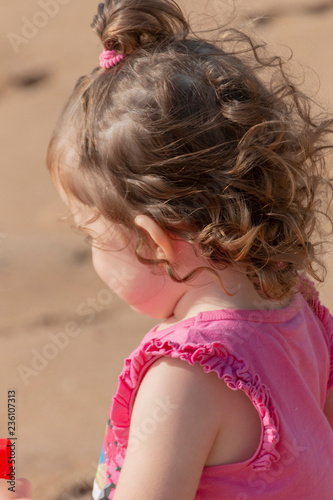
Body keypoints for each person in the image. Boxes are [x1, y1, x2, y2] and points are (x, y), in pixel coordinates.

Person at [5, 0, 332, 498]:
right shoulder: (298, 308)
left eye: (93, 236)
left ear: (156, 242)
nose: (94, 254)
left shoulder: (185, 377)